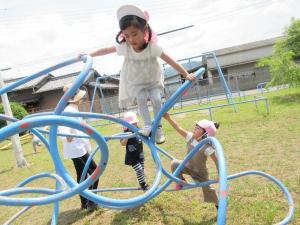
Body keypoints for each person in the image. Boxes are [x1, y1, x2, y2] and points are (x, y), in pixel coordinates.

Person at [85, 4, 195, 144]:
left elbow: (170, 60)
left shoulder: (152, 48)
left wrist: (185, 73)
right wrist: (90, 55)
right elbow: (107, 50)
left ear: (145, 31)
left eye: (134, 34)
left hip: (153, 80)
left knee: (156, 99)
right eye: (127, 35)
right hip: (137, 82)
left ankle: (158, 127)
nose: (131, 39)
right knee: (141, 99)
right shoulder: (126, 47)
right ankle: (148, 125)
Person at [163, 112, 220, 209]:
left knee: (208, 189)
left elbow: (217, 161)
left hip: (200, 173)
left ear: (205, 134)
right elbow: (178, 128)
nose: (195, 129)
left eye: (198, 128)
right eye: (196, 127)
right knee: (174, 163)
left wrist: (219, 174)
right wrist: (168, 118)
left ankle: (218, 204)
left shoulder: (207, 147)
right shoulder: (190, 137)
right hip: (188, 167)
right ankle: (180, 181)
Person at [59, 83, 99, 212]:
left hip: (78, 147)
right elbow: (63, 129)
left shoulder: (73, 109)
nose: (82, 97)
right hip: (76, 149)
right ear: (77, 97)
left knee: (82, 175)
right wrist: (68, 137)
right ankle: (92, 201)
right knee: (94, 172)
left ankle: (85, 202)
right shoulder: (69, 111)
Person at [120, 111, 149, 191]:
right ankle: (143, 185)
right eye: (132, 124)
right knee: (139, 169)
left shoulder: (138, 130)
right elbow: (122, 143)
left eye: (135, 123)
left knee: (142, 170)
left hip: (140, 154)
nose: (134, 125)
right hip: (132, 157)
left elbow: (146, 136)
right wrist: (127, 136)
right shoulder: (126, 133)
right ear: (127, 125)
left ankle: (143, 183)